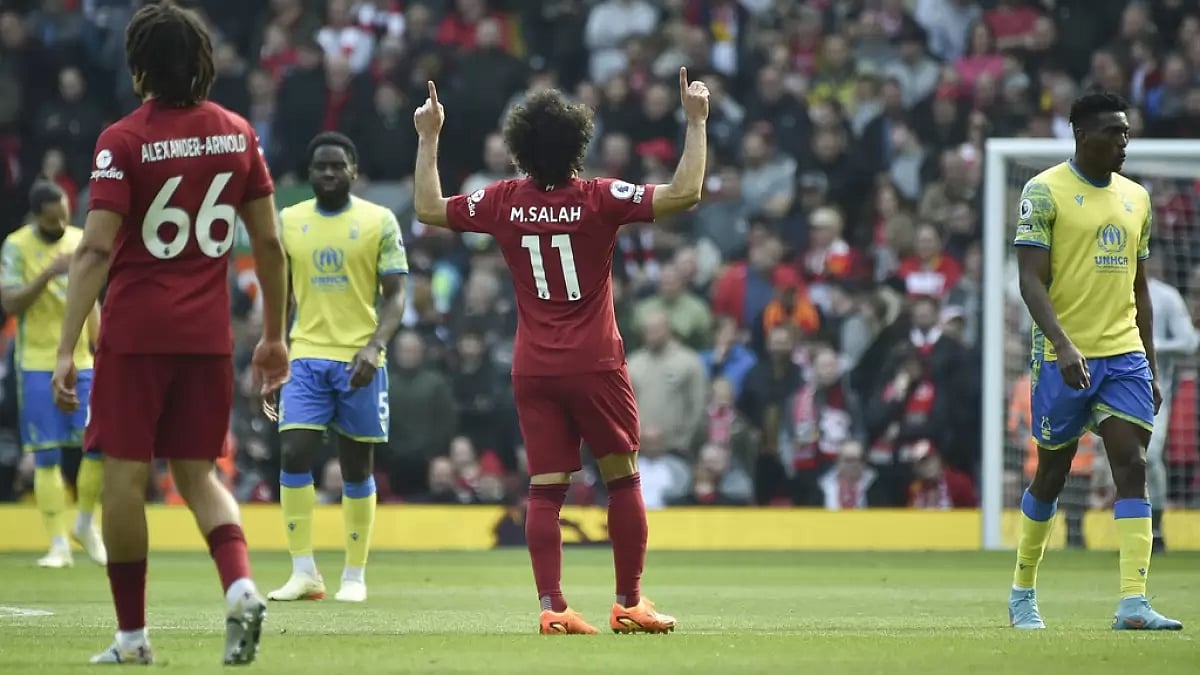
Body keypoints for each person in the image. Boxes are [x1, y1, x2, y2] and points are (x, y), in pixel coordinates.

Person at [411, 67, 709, 635]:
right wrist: (695, 122)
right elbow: (685, 193)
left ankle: (552, 607)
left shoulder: (502, 201)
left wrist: (429, 137)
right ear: (579, 145)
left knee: (545, 490)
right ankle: (628, 602)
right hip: (596, 363)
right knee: (622, 479)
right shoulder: (600, 197)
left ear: (519, 151)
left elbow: (428, 207)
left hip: (534, 367)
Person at [49, 1, 290, 664]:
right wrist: (274, 335)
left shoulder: (122, 140)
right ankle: (240, 585)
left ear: (138, 67)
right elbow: (269, 243)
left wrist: (67, 346)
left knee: (123, 481)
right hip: (208, 336)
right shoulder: (237, 133)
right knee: (199, 474)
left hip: (135, 335)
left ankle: (132, 637)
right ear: (203, 62)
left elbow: (95, 250)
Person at [1008, 90, 1181, 631]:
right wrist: (1062, 344)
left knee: (1132, 465)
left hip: (1123, 353)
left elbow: (1140, 289)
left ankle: (1133, 602)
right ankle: (1022, 592)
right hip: (1062, 354)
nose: (1124, 142)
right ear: (1083, 135)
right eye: (1113, 132)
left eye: (1126, 132)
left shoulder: (1137, 198)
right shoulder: (1044, 192)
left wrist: (1151, 367)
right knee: (1052, 474)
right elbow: (1030, 281)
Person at [268, 131, 408, 604]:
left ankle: (354, 574)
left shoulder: (379, 221)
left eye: (337, 165)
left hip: (358, 358)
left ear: (354, 171)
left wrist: (375, 346)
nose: (329, 173)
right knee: (293, 453)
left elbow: (397, 296)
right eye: (320, 166)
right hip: (305, 354)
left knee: (355, 465)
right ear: (309, 173)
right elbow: (279, 294)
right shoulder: (289, 220)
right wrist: (271, 349)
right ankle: (303, 571)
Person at [0, 181, 106, 568]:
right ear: (37, 217)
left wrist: (101, 346)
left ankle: (85, 523)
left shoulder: (80, 240)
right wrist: (49, 273)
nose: (60, 225)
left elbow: (91, 300)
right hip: (36, 361)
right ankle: (58, 544)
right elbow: (10, 302)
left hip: (83, 361)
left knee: (99, 445)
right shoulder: (16, 246)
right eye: (52, 221)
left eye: (64, 216)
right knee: (46, 454)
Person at [1144, 253, 1198, 552]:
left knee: (1150, 456)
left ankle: (1156, 526)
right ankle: (1134, 531)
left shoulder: (1165, 297)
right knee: (1122, 461)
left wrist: (1153, 346)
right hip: (1111, 388)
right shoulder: (1110, 291)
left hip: (1155, 392)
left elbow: (1189, 341)